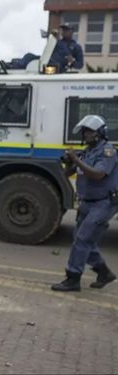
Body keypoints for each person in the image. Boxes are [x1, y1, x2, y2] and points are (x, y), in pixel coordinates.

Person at [52, 114, 118, 292]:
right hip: (87, 202)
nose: (85, 135)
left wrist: (77, 160)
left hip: (104, 203)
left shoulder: (108, 151)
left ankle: (72, 278)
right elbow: (67, 174)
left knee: (82, 239)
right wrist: (69, 163)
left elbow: (98, 174)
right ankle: (103, 272)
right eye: (84, 131)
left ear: (99, 133)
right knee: (83, 240)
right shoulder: (87, 151)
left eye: (88, 131)